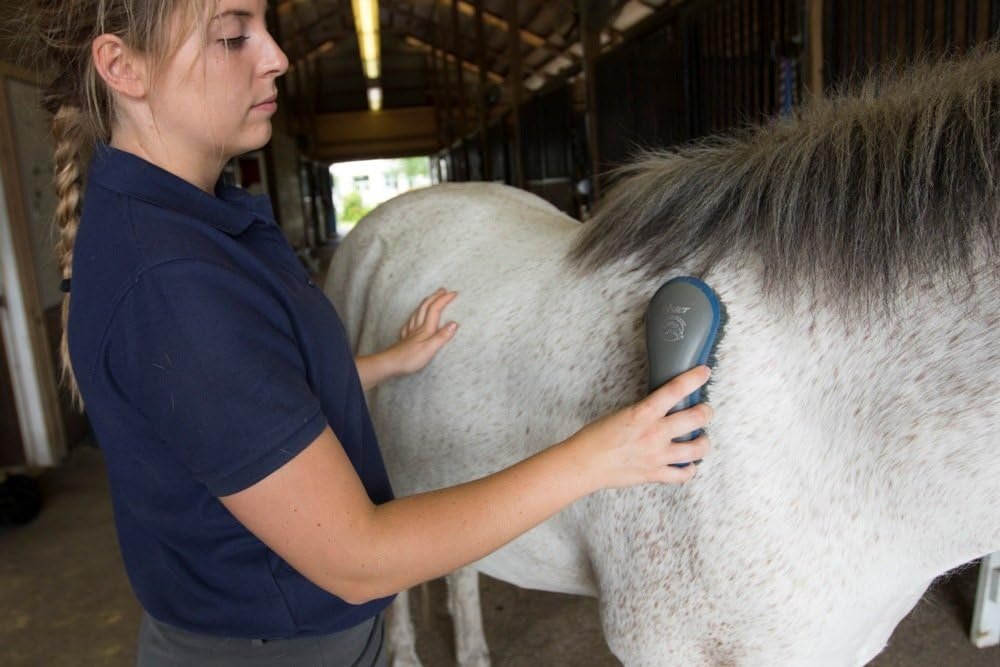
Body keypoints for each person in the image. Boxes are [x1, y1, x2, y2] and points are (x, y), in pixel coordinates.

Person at [31, 0, 713, 664]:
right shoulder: (175, 281)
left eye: (265, 26)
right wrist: (600, 455)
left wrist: (387, 362)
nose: (276, 57)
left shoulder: (189, 228)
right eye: (233, 36)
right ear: (122, 67)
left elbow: (249, 403)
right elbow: (358, 559)